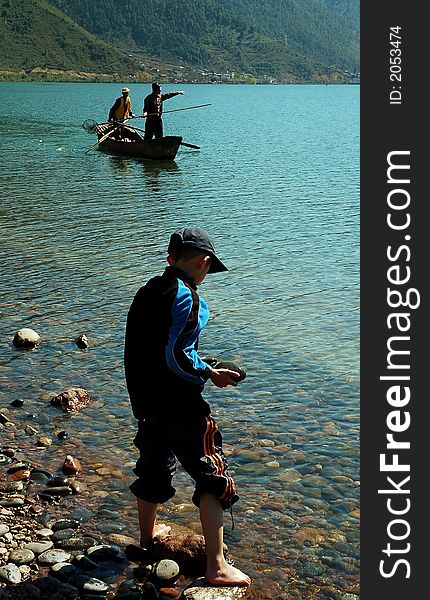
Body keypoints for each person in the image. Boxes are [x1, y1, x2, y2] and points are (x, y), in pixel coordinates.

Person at [124, 227, 251, 587]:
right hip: (180, 405)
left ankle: (147, 542)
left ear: (169, 258)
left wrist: (202, 363)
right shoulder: (188, 297)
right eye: (209, 269)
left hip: (146, 403)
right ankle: (217, 566)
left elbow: (142, 349)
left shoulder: (148, 290)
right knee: (213, 477)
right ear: (202, 262)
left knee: (152, 469)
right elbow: (175, 354)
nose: (207, 275)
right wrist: (211, 373)